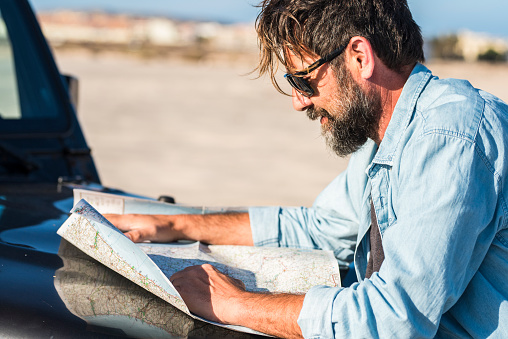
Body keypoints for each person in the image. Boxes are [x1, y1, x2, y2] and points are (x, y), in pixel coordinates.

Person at [107, 0, 508, 337]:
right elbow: (322, 229)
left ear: (359, 57)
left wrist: (231, 303)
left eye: (303, 80)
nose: (299, 102)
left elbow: (391, 320)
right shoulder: (389, 133)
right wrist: (176, 225)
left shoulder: (450, 137)